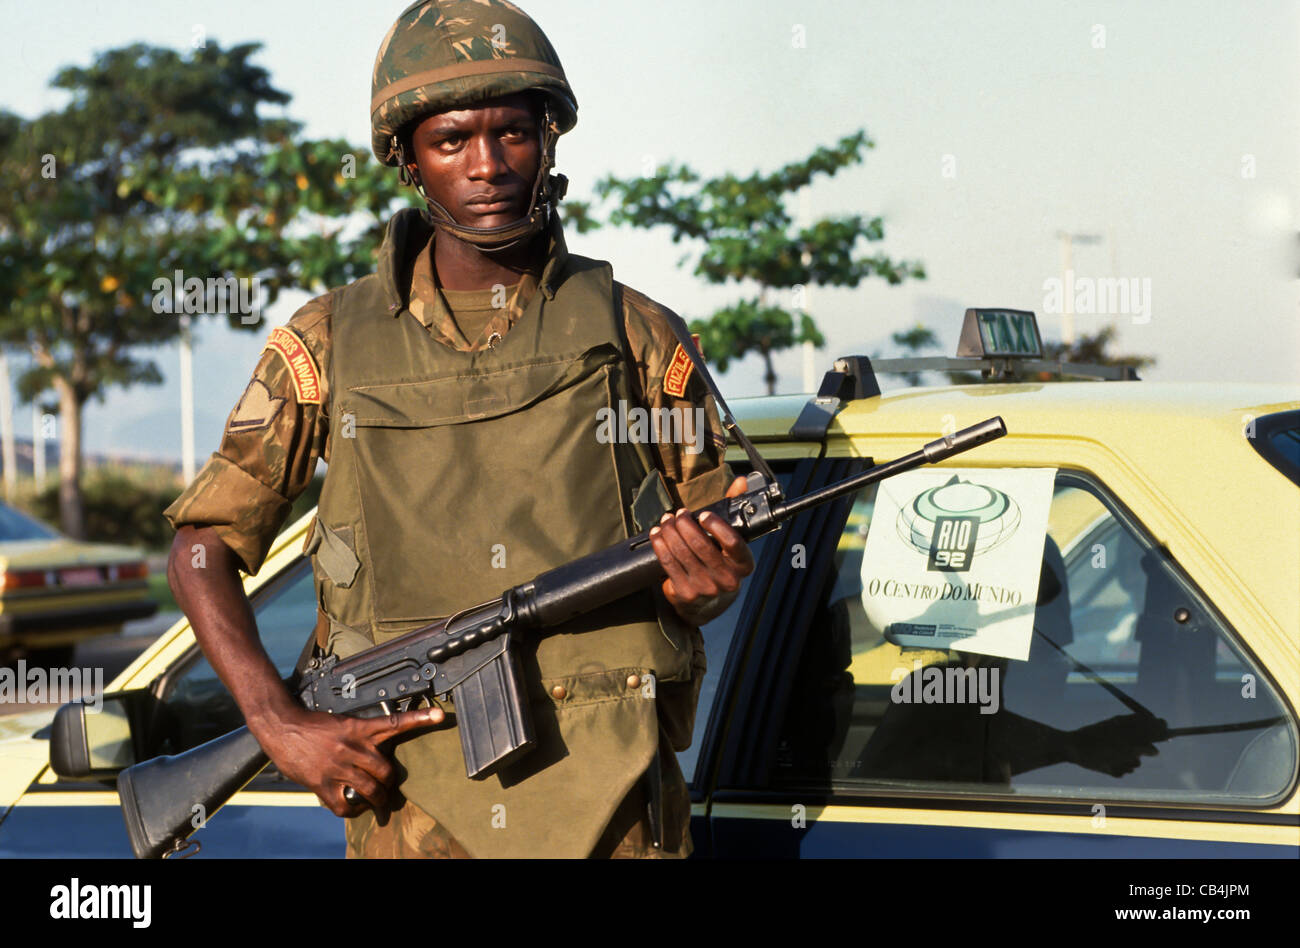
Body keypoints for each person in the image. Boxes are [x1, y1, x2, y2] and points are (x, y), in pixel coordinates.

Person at [163, 0, 754, 859]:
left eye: (511, 133)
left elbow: (716, 540)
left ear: (548, 140)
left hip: (616, 798)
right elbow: (203, 544)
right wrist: (279, 723)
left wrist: (707, 585)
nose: (487, 165)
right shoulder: (329, 343)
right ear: (408, 158)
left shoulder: (635, 333)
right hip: (411, 807)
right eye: (452, 141)